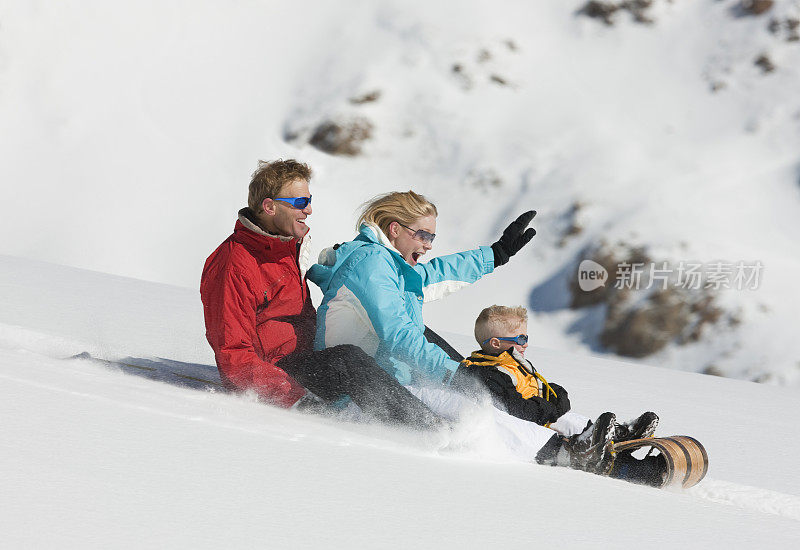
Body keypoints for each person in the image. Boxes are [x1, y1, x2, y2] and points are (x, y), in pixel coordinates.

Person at [307, 190, 618, 473]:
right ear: (395, 229)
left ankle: (582, 431)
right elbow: (399, 336)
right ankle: (564, 452)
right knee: (473, 406)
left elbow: (436, 275)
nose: (428, 245)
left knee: (481, 393)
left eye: (432, 237)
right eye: (423, 235)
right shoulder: (371, 266)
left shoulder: (393, 266)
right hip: (359, 394)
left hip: (394, 375)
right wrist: (455, 373)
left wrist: (495, 254)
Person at [200, 160, 443, 429]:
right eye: (300, 202)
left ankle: (480, 393)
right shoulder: (234, 263)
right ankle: (427, 429)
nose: (309, 209)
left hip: (310, 356)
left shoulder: (284, 248)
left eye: (309, 200)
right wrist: (297, 397)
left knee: (410, 328)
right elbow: (233, 353)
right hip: (281, 373)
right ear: (269, 207)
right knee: (347, 361)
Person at [463, 305, 666, 486]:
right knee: (555, 424)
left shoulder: (511, 363)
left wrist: (557, 395)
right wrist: (551, 408)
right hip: (530, 436)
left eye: (526, 338)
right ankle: (611, 459)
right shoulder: (487, 373)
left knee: (568, 419)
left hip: (540, 420)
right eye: (520, 339)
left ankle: (606, 438)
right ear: (496, 343)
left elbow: (534, 390)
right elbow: (518, 410)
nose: (525, 344)